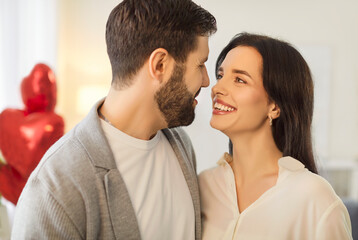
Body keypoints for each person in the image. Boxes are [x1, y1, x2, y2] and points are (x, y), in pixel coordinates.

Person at [11, 0, 216, 239]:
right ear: (160, 64)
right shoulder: (55, 188)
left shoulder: (180, 145)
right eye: (200, 64)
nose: (206, 80)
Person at [199, 33, 352, 240]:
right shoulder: (202, 187)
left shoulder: (315, 198)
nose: (217, 88)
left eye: (239, 80)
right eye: (220, 75)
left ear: (274, 106)